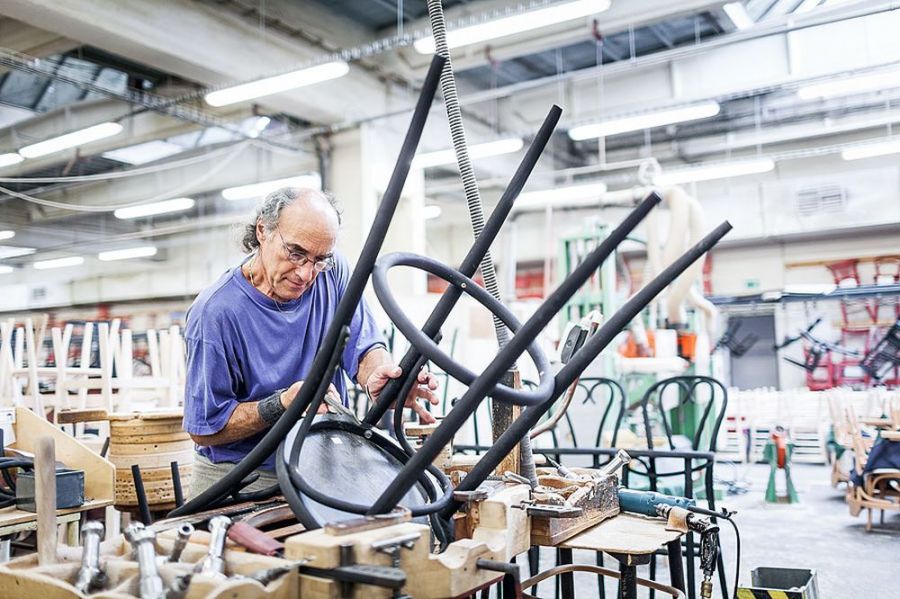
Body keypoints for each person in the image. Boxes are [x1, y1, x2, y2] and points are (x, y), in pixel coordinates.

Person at [183, 187, 438, 497]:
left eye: (319, 260)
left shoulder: (332, 271)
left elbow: (365, 346)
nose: (306, 274)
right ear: (263, 230)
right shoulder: (215, 313)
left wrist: (382, 376)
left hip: (319, 465)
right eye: (295, 253)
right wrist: (282, 405)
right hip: (240, 477)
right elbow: (205, 428)